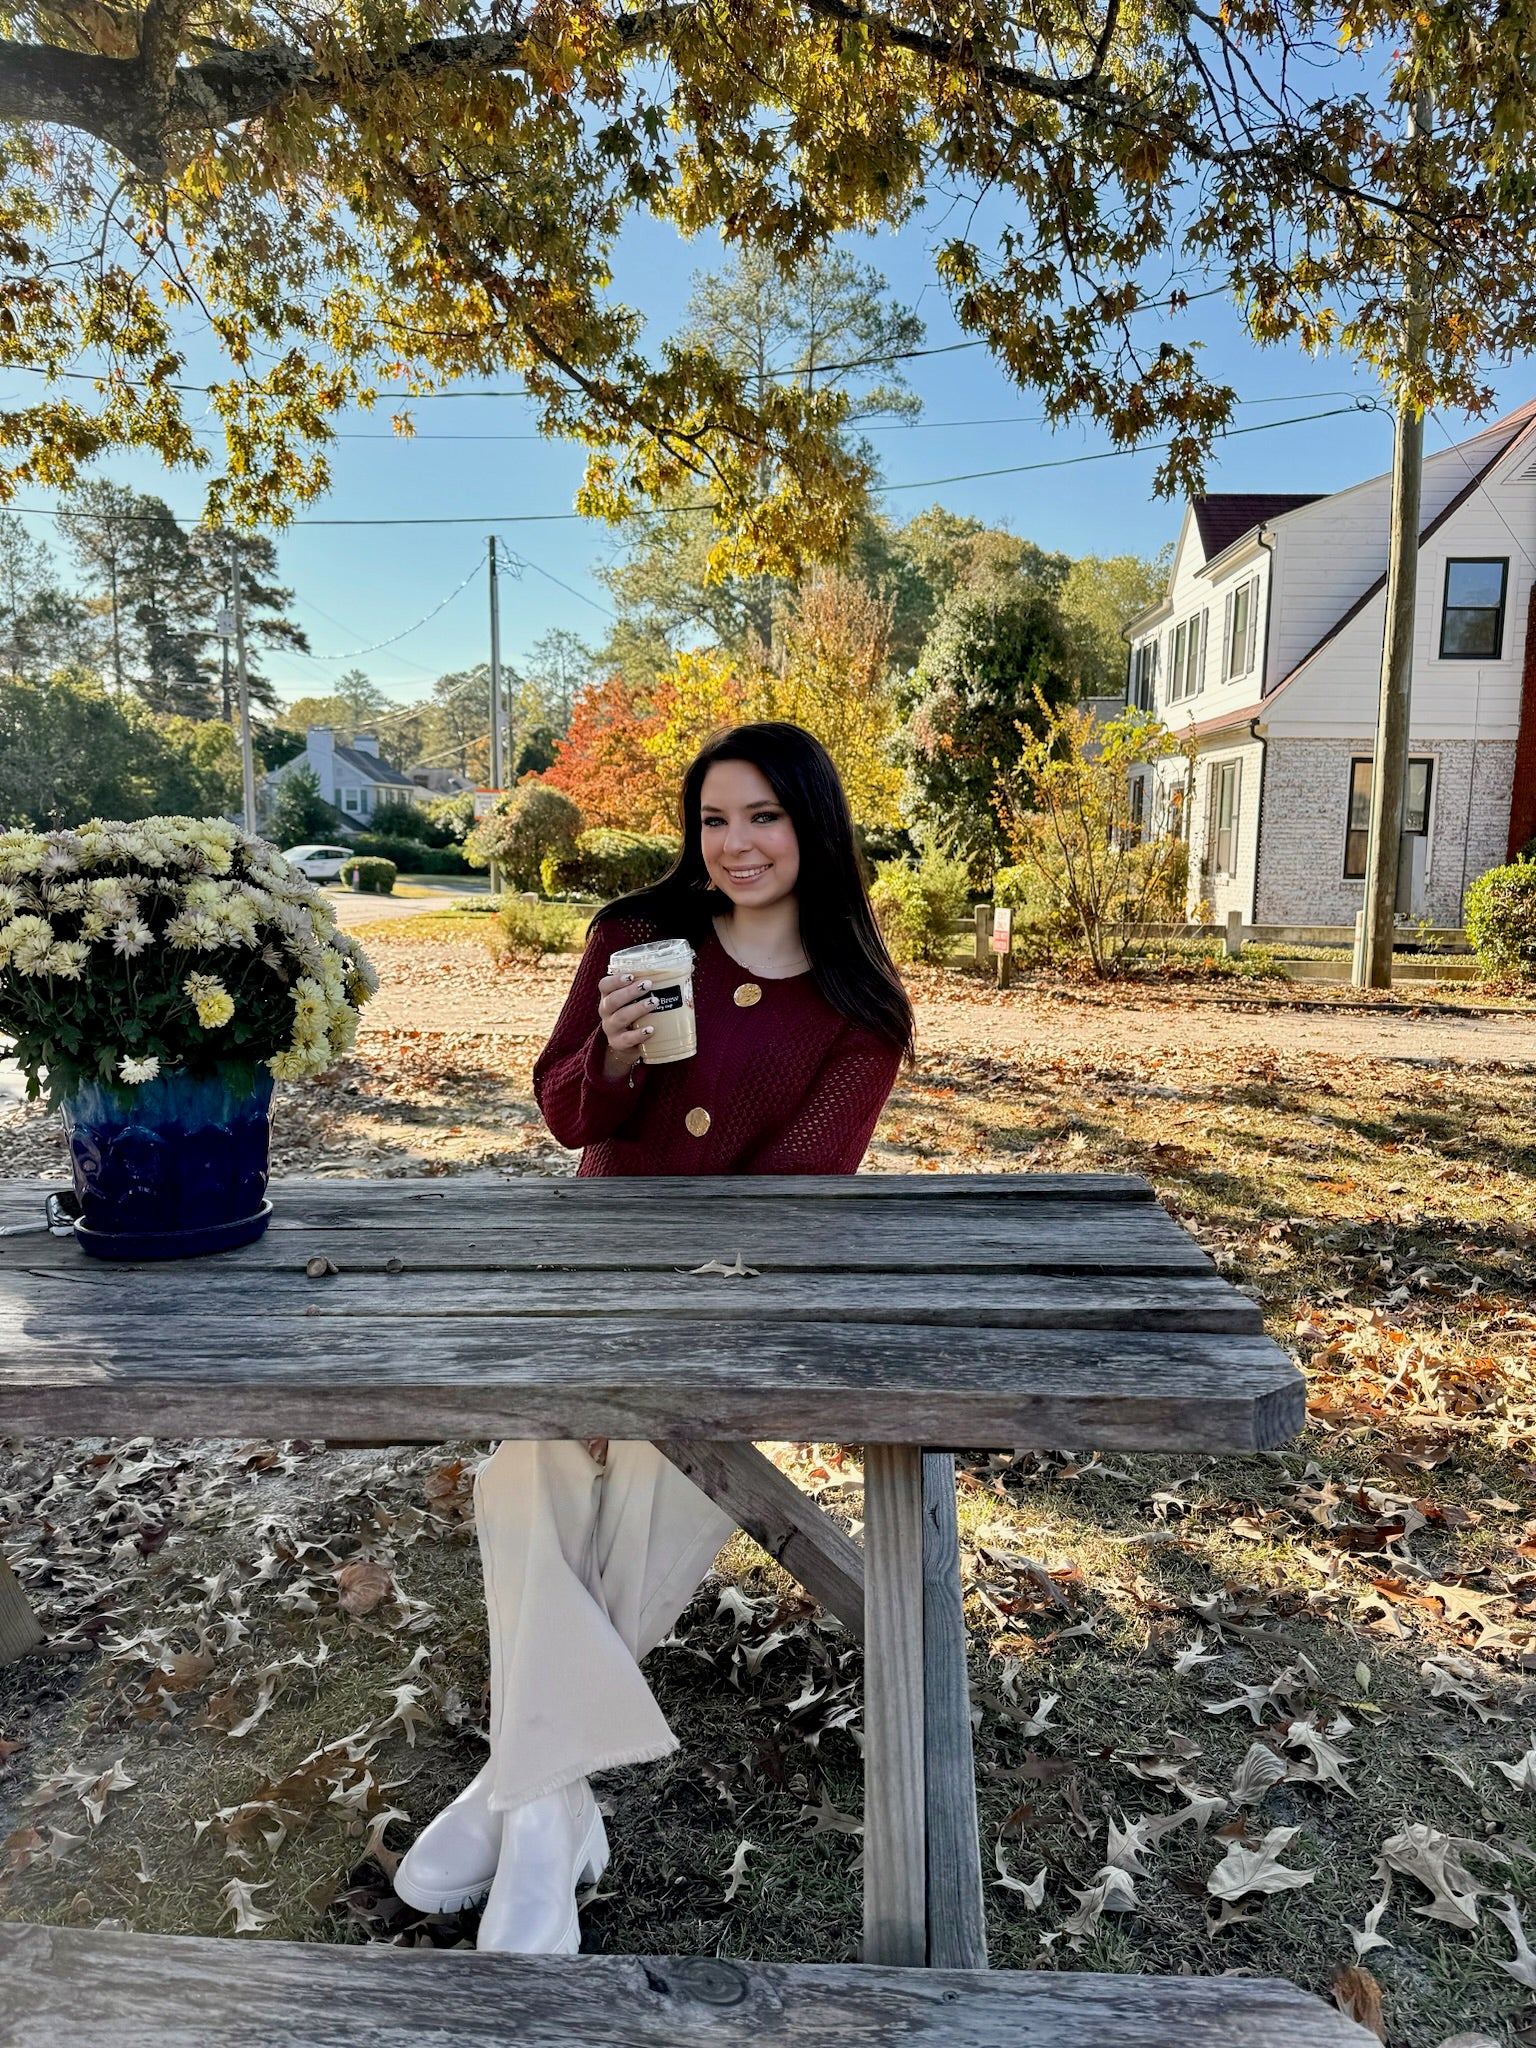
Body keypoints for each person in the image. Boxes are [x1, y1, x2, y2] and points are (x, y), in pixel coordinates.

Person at [392, 722, 912, 1953]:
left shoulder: (859, 1013)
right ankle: (548, 1822)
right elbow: (564, 1108)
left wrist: (678, 1344)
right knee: (530, 1469)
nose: (736, 843)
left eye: (764, 815)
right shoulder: (633, 937)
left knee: (671, 1486)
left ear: (814, 823)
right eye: (714, 819)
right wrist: (614, 1052)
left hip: (728, 1320)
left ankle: (521, 1801)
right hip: (589, 1287)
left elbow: (790, 1204)